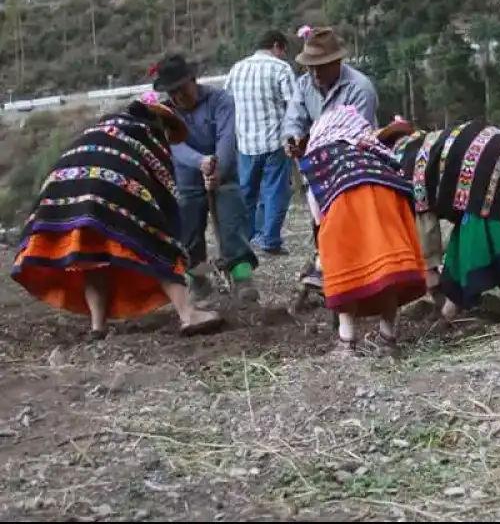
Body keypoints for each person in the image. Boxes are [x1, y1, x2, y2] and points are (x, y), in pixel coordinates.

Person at [11, 93, 225, 339]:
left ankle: (97, 326)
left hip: (63, 187)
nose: (168, 138)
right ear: (158, 123)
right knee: (160, 244)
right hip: (109, 185)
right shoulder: (148, 138)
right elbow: (166, 201)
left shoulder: (106, 128)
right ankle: (189, 314)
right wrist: (176, 242)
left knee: (92, 255)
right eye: (168, 129)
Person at [376, 117, 500, 326]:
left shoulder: (405, 166)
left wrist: (429, 269)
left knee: (487, 255)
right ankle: (448, 315)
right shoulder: (426, 144)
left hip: (495, 178)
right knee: (461, 250)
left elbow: (426, 225)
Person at [296, 105, 426, 356]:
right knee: (390, 276)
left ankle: (346, 343)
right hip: (391, 201)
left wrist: (322, 243)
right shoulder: (374, 151)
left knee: (346, 271)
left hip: (345, 205)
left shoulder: (318, 157)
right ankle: (388, 338)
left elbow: (317, 209)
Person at [150, 54, 259, 304]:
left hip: (224, 172)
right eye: (172, 91)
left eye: (182, 88)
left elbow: (226, 138)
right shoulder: (165, 112)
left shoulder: (220, 100)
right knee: (188, 234)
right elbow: (175, 146)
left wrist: (217, 168)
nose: (178, 96)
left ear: (193, 80)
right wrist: (201, 162)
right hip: (187, 178)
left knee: (232, 223)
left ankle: (242, 278)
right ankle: (199, 282)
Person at [283, 27, 379, 290]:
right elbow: (294, 118)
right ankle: (327, 263)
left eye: (321, 67)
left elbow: (355, 133)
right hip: (317, 163)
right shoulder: (304, 85)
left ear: (337, 62)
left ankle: (347, 270)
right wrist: (292, 139)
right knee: (320, 218)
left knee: (348, 217)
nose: (314, 73)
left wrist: (317, 145)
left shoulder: (360, 88)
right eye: (310, 67)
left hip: (354, 162)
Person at [225, 29, 299, 256]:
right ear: (276, 46)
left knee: (247, 193)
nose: (284, 55)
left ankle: (246, 239)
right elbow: (294, 105)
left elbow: (226, 103)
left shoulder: (236, 69)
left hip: (246, 143)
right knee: (275, 191)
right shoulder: (280, 68)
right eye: (283, 50)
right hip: (275, 141)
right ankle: (271, 240)